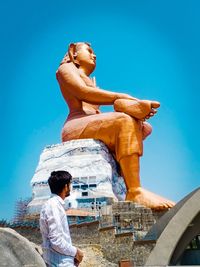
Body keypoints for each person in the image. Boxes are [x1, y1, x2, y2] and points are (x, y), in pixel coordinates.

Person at [56, 42, 175, 210]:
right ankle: (135, 191)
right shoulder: (65, 70)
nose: (94, 55)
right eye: (89, 51)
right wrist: (121, 97)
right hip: (76, 124)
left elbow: (93, 95)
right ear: (72, 52)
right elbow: (83, 92)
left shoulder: (91, 80)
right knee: (123, 121)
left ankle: (121, 126)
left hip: (92, 122)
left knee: (144, 127)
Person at [40, 170, 84, 267]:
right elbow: (56, 240)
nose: (70, 187)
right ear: (65, 186)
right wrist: (76, 252)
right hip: (59, 262)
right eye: (70, 184)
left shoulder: (54, 205)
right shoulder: (53, 205)